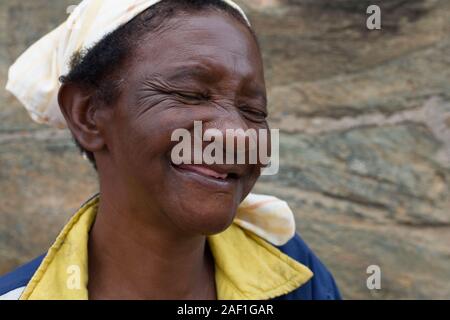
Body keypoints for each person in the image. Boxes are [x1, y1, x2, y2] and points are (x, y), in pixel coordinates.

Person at [0, 0, 341, 300]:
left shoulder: (295, 276)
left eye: (254, 110)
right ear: (87, 115)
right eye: (191, 95)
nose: (237, 135)